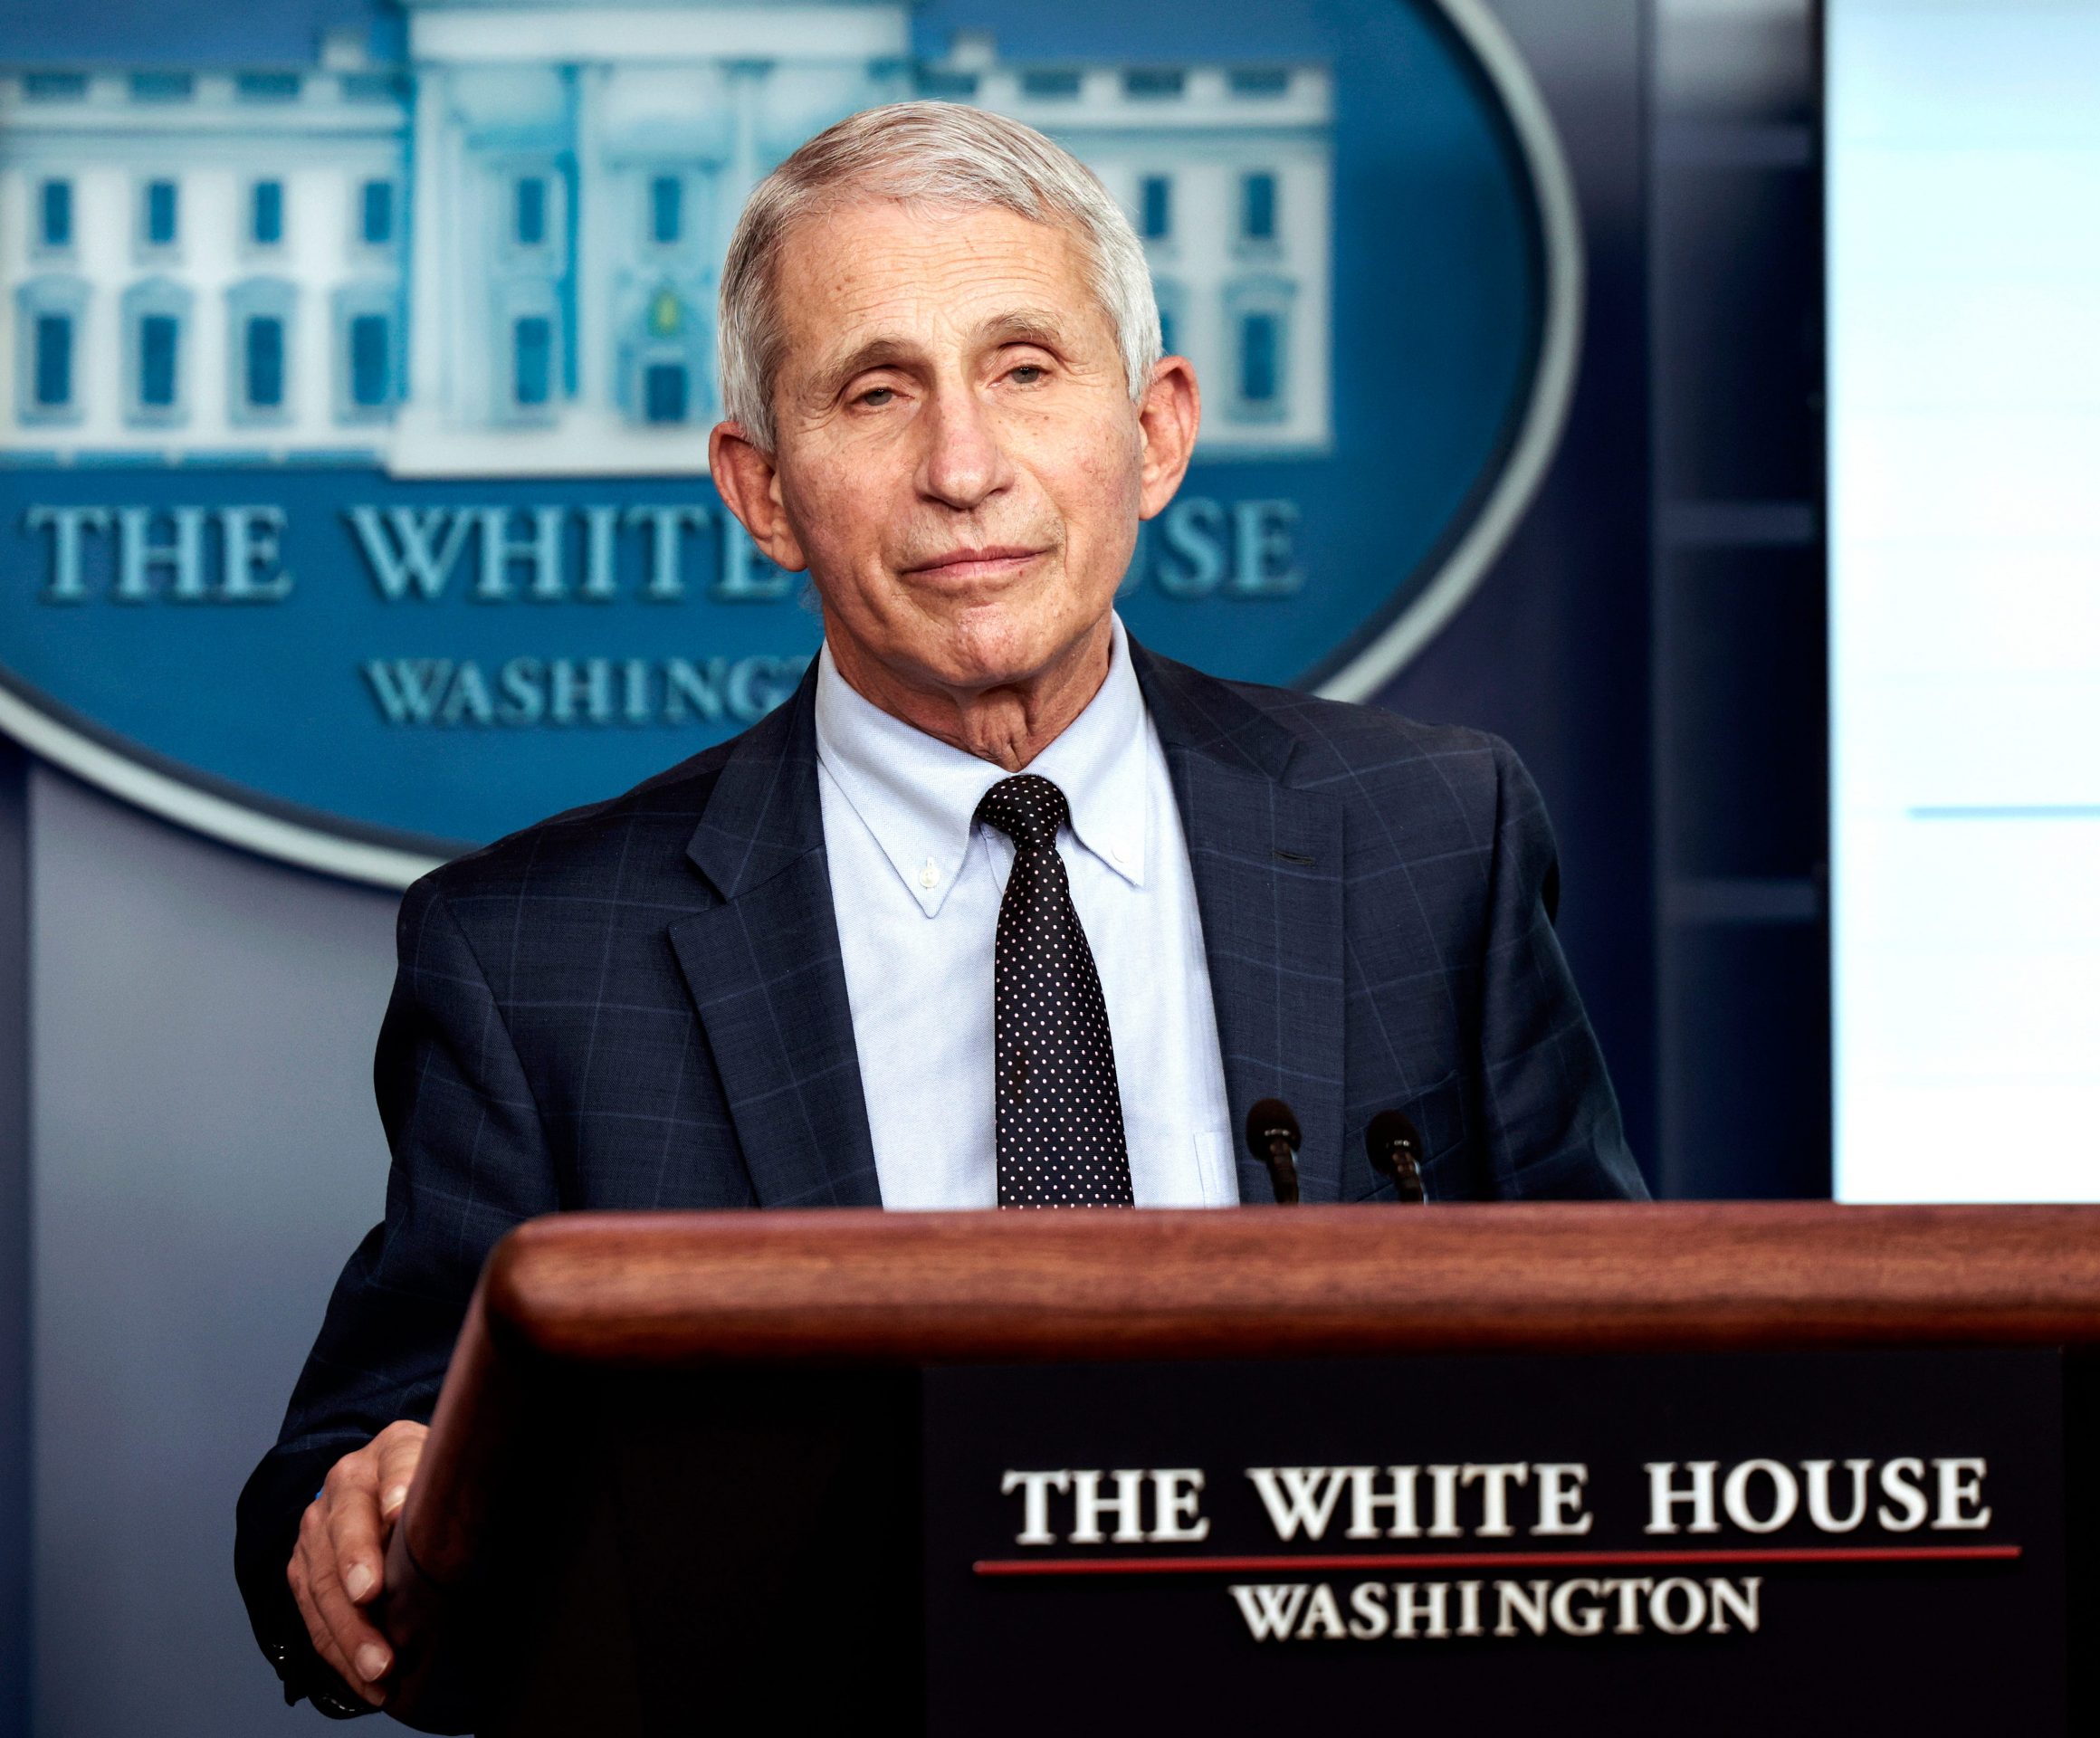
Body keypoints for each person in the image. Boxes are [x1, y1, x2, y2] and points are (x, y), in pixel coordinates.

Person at [235, 99, 1646, 1715]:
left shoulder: (1428, 838)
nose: (962, 468)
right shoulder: (537, 955)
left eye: (1026, 370)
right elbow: (353, 1478)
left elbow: (1620, 1370)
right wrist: (356, 1517)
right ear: (762, 490)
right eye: (875, 390)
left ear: (1158, 431)